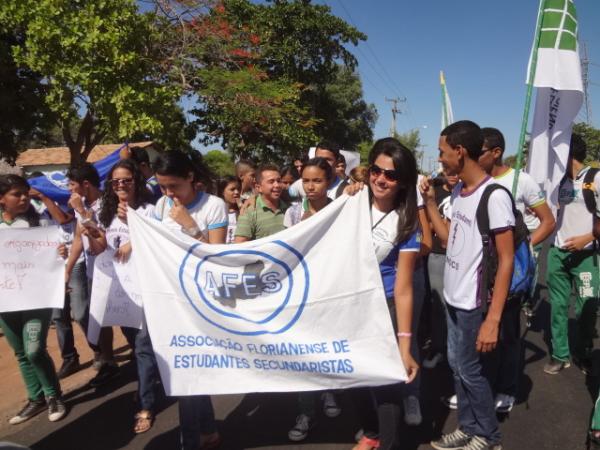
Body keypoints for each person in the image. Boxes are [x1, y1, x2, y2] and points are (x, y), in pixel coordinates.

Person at [422, 120, 514, 450]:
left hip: (475, 304)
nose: (440, 159)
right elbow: (448, 239)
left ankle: (488, 436)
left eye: (443, 152)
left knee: (470, 371)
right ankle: (468, 426)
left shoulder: (495, 196)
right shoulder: (460, 191)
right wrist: (431, 204)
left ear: (460, 152)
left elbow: (506, 260)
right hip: (454, 298)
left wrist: (493, 319)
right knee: (458, 368)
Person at [477, 127, 555, 413]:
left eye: (479, 151)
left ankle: (507, 388)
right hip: (479, 274)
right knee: (480, 331)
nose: (473, 157)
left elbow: (548, 221)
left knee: (508, 334)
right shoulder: (477, 182)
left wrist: (523, 247)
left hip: (510, 273)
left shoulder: (522, 181)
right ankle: (481, 385)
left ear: (496, 152)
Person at [153, 151, 227, 450]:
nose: (169, 194)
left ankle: (191, 440)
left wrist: (190, 226)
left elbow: (216, 258)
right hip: (172, 300)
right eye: (162, 187)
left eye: (174, 186)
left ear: (191, 178)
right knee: (187, 370)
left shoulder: (214, 206)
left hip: (201, 302)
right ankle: (208, 430)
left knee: (187, 375)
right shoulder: (161, 206)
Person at [351, 138, 420, 450]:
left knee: (386, 384)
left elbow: (404, 288)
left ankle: (388, 443)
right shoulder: (350, 204)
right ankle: (371, 434)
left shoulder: (406, 224)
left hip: (386, 307)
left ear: (403, 181)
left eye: (391, 175)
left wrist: (405, 346)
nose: (380, 179)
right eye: (376, 171)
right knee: (355, 375)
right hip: (350, 304)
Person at [86, 159, 159, 434]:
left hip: (145, 290)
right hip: (120, 292)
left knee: (141, 346)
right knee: (136, 343)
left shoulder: (150, 211)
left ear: (136, 181)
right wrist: (93, 234)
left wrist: (134, 233)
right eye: (115, 181)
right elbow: (100, 248)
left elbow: (156, 243)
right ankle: (150, 379)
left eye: (126, 180)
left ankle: (146, 405)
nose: (121, 185)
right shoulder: (106, 213)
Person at [0, 175, 67, 424]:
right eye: (17, 194)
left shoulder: (39, 221)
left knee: (34, 348)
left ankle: (54, 396)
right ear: (1, 199)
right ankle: (36, 398)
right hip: (6, 300)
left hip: (37, 297)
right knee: (20, 352)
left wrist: (59, 251)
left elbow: (56, 248)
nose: (24, 198)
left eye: (25, 193)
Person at [283, 158, 341, 442]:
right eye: (306, 180)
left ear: (328, 181)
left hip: (332, 290)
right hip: (304, 294)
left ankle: (329, 392)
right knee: (304, 352)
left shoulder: (343, 208)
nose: (310, 186)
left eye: (317, 180)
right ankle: (306, 411)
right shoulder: (293, 213)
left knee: (328, 347)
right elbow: (285, 252)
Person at [544, 133, 600, 376]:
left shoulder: (595, 178)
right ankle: (560, 355)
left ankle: (584, 351)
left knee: (587, 309)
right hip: (558, 255)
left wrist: (586, 239)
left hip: (586, 256)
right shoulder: (558, 182)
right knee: (557, 307)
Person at [64, 163, 119, 388]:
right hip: (92, 270)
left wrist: (82, 212)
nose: (70, 191)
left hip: (114, 269)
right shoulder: (83, 206)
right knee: (97, 316)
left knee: (124, 318)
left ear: (86, 185)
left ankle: (144, 358)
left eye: (73, 186)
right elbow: (79, 238)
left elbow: (102, 235)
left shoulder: (108, 203)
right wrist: (67, 269)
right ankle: (108, 360)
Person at [422, 170, 458, 372]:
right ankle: (438, 349)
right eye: (448, 171)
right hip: (436, 255)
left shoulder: (466, 192)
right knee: (438, 306)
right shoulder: (433, 192)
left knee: (459, 308)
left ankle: (456, 353)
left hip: (462, 259)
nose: (453, 174)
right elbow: (425, 221)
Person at [234, 164, 287, 243]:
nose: (277, 185)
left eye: (279, 181)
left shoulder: (289, 209)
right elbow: (240, 246)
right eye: (271, 182)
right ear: (259, 187)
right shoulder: (249, 212)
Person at [217, 176, 241, 244]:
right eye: (232, 189)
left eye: (238, 189)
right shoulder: (216, 212)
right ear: (222, 192)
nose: (236, 192)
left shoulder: (245, 208)